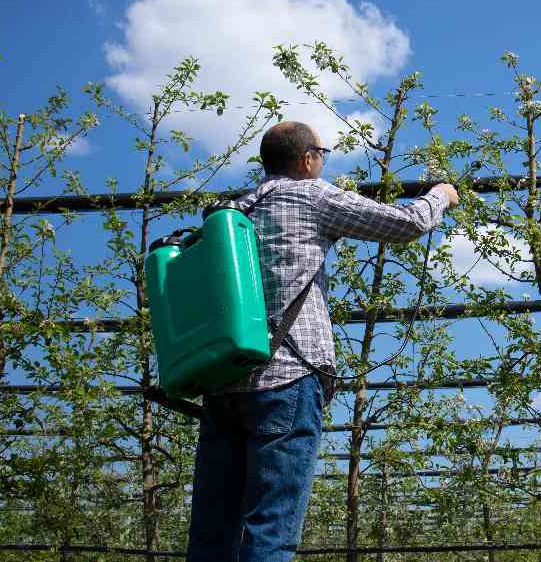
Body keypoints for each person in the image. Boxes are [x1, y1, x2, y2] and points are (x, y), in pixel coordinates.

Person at [186, 121, 458, 561]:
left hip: (222, 380)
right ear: (308, 159)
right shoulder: (310, 195)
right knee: (271, 527)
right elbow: (406, 224)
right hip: (288, 377)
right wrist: (441, 194)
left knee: (211, 533)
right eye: (323, 154)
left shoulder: (227, 214)